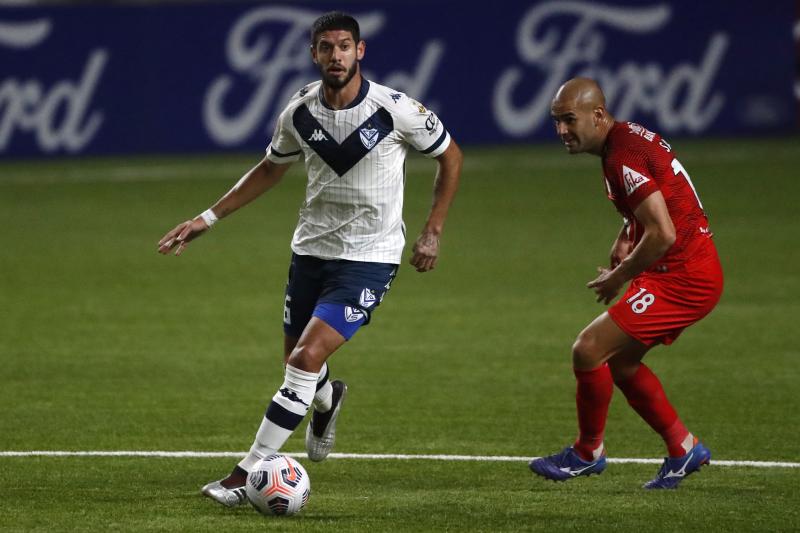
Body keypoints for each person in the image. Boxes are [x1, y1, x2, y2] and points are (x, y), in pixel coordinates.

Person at [157, 11, 462, 506]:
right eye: (326, 47)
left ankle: (246, 472)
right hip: (310, 252)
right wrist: (206, 219)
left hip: (370, 258)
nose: (336, 55)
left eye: (345, 46)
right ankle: (327, 400)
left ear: (360, 52)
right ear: (313, 53)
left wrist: (432, 231)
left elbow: (450, 155)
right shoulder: (299, 111)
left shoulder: (396, 109)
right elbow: (269, 169)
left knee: (303, 359)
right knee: (297, 368)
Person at [528, 78, 723, 489]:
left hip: (684, 277)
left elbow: (664, 233)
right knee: (620, 362)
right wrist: (625, 234)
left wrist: (619, 275)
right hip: (685, 267)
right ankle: (682, 447)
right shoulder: (625, 139)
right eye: (556, 122)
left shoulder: (621, 156)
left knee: (588, 349)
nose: (561, 131)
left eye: (569, 120)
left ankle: (587, 453)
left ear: (597, 115)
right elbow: (658, 197)